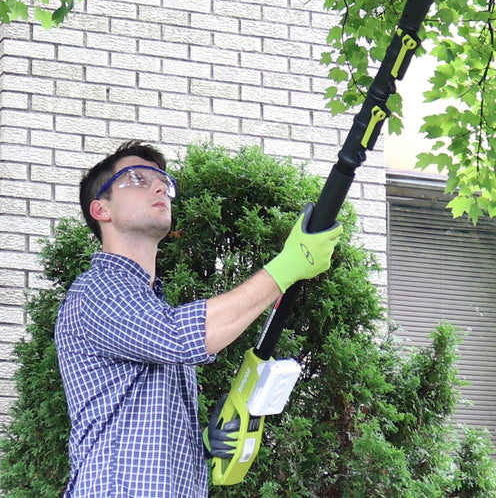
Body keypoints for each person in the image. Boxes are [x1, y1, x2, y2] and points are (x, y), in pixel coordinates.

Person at [54, 140, 342, 498]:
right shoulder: (97, 291)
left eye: (162, 180)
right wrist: (288, 266)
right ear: (101, 209)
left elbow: (134, 419)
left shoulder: (146, 303)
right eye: (138, 179)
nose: (160, 186)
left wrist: (200, 441)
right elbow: (179, 335)